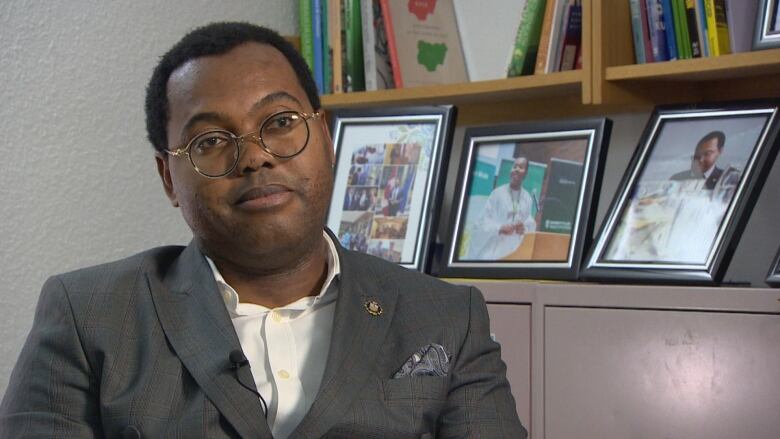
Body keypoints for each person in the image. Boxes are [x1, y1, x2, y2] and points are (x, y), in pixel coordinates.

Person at [0, 22, 526, 439]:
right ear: (168, 178)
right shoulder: (88, 316)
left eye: (279, 122)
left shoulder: (446, 317)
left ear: (325, 135)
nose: (253, 157)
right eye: (210, 140)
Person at [469, 157, 537, 260]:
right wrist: (499, 228)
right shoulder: (497, 194)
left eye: (521, 167)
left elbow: (529, 224)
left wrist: (523, 228)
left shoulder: (527, 198)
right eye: (514, 166)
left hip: (516, 252)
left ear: (526, 174)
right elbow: (481, 222)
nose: (516, 169)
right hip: (495, 251)